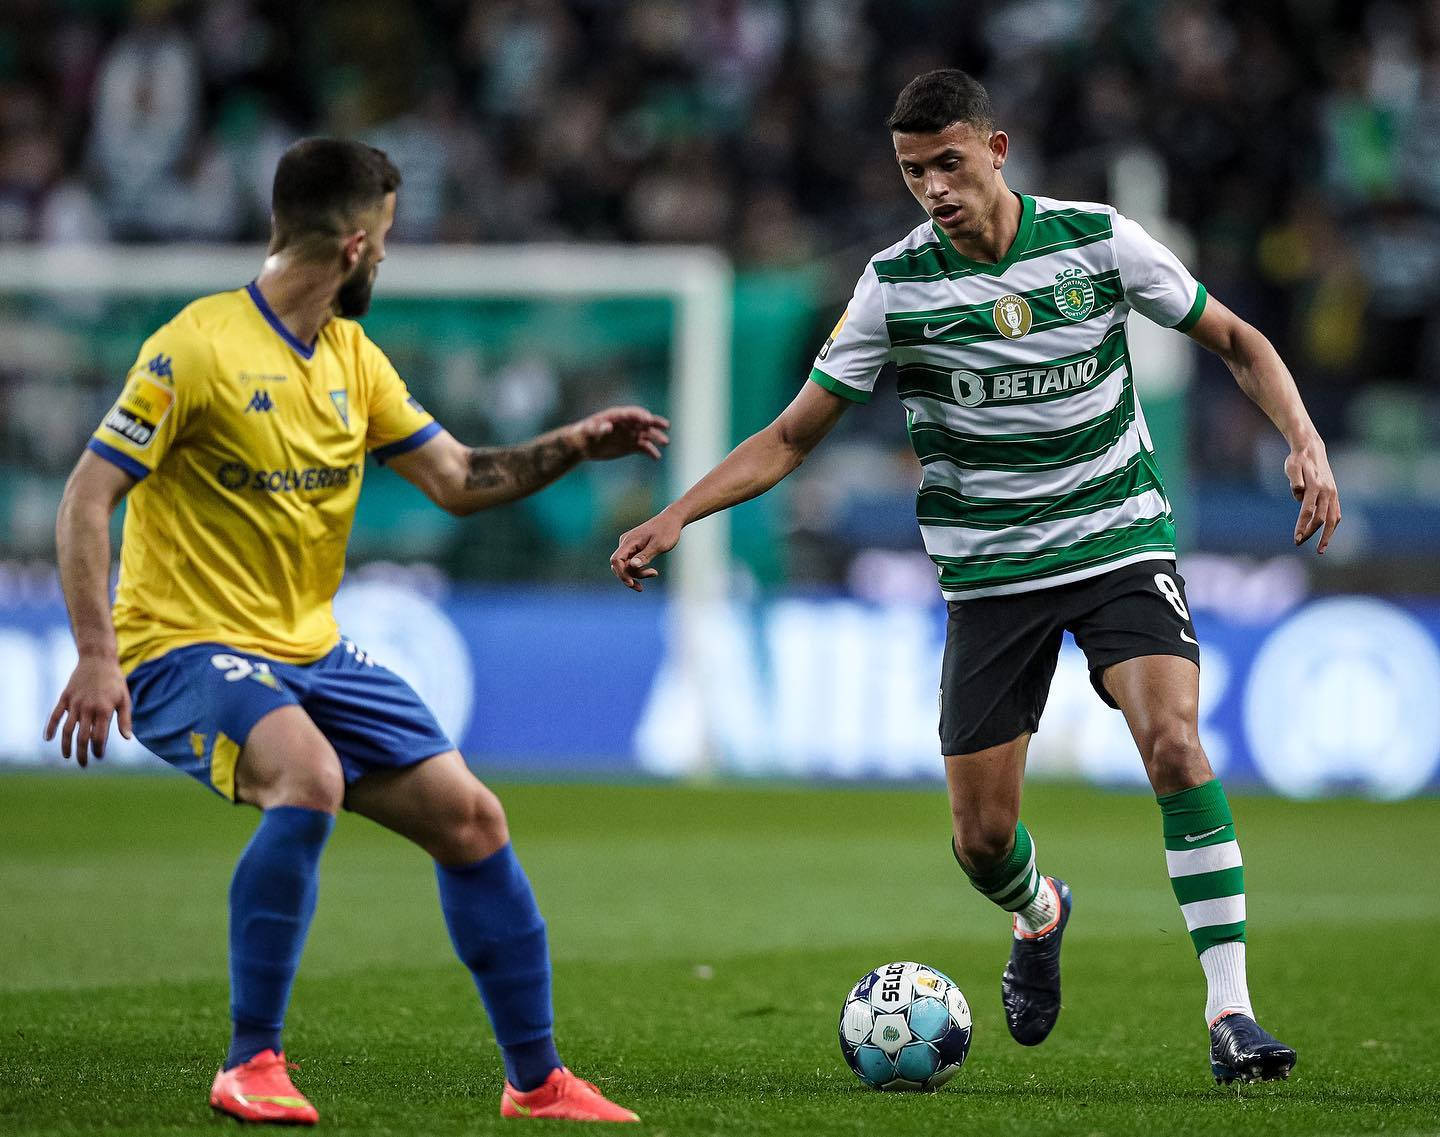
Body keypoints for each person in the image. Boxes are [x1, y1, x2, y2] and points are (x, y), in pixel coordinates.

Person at [611, 69, 1340, 1085]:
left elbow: (1238, 340)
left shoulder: (1098, 242)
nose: (934, 189)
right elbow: (790, 436)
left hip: (1117, 541)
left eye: (949, 163)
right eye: (914, 172)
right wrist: (678, 513)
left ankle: (1232, 1013)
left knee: (1174, 744)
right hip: (991, 576)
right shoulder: (895, 287)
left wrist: (1302, 439)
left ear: (997, 152)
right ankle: (1041, 914)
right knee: (981, 838)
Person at [47, 137, 663, 1125]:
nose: (387, 256)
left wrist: (574, 446)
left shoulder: (351, 356)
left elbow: (459, 480)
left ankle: (537, 1083)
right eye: (385, 238)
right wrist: (94, 653)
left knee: (473, 820)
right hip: (181, 646)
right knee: (311, 777)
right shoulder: (194, 347)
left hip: (307, 647)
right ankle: (251, 1063)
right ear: (351, 241)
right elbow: (87, 495)